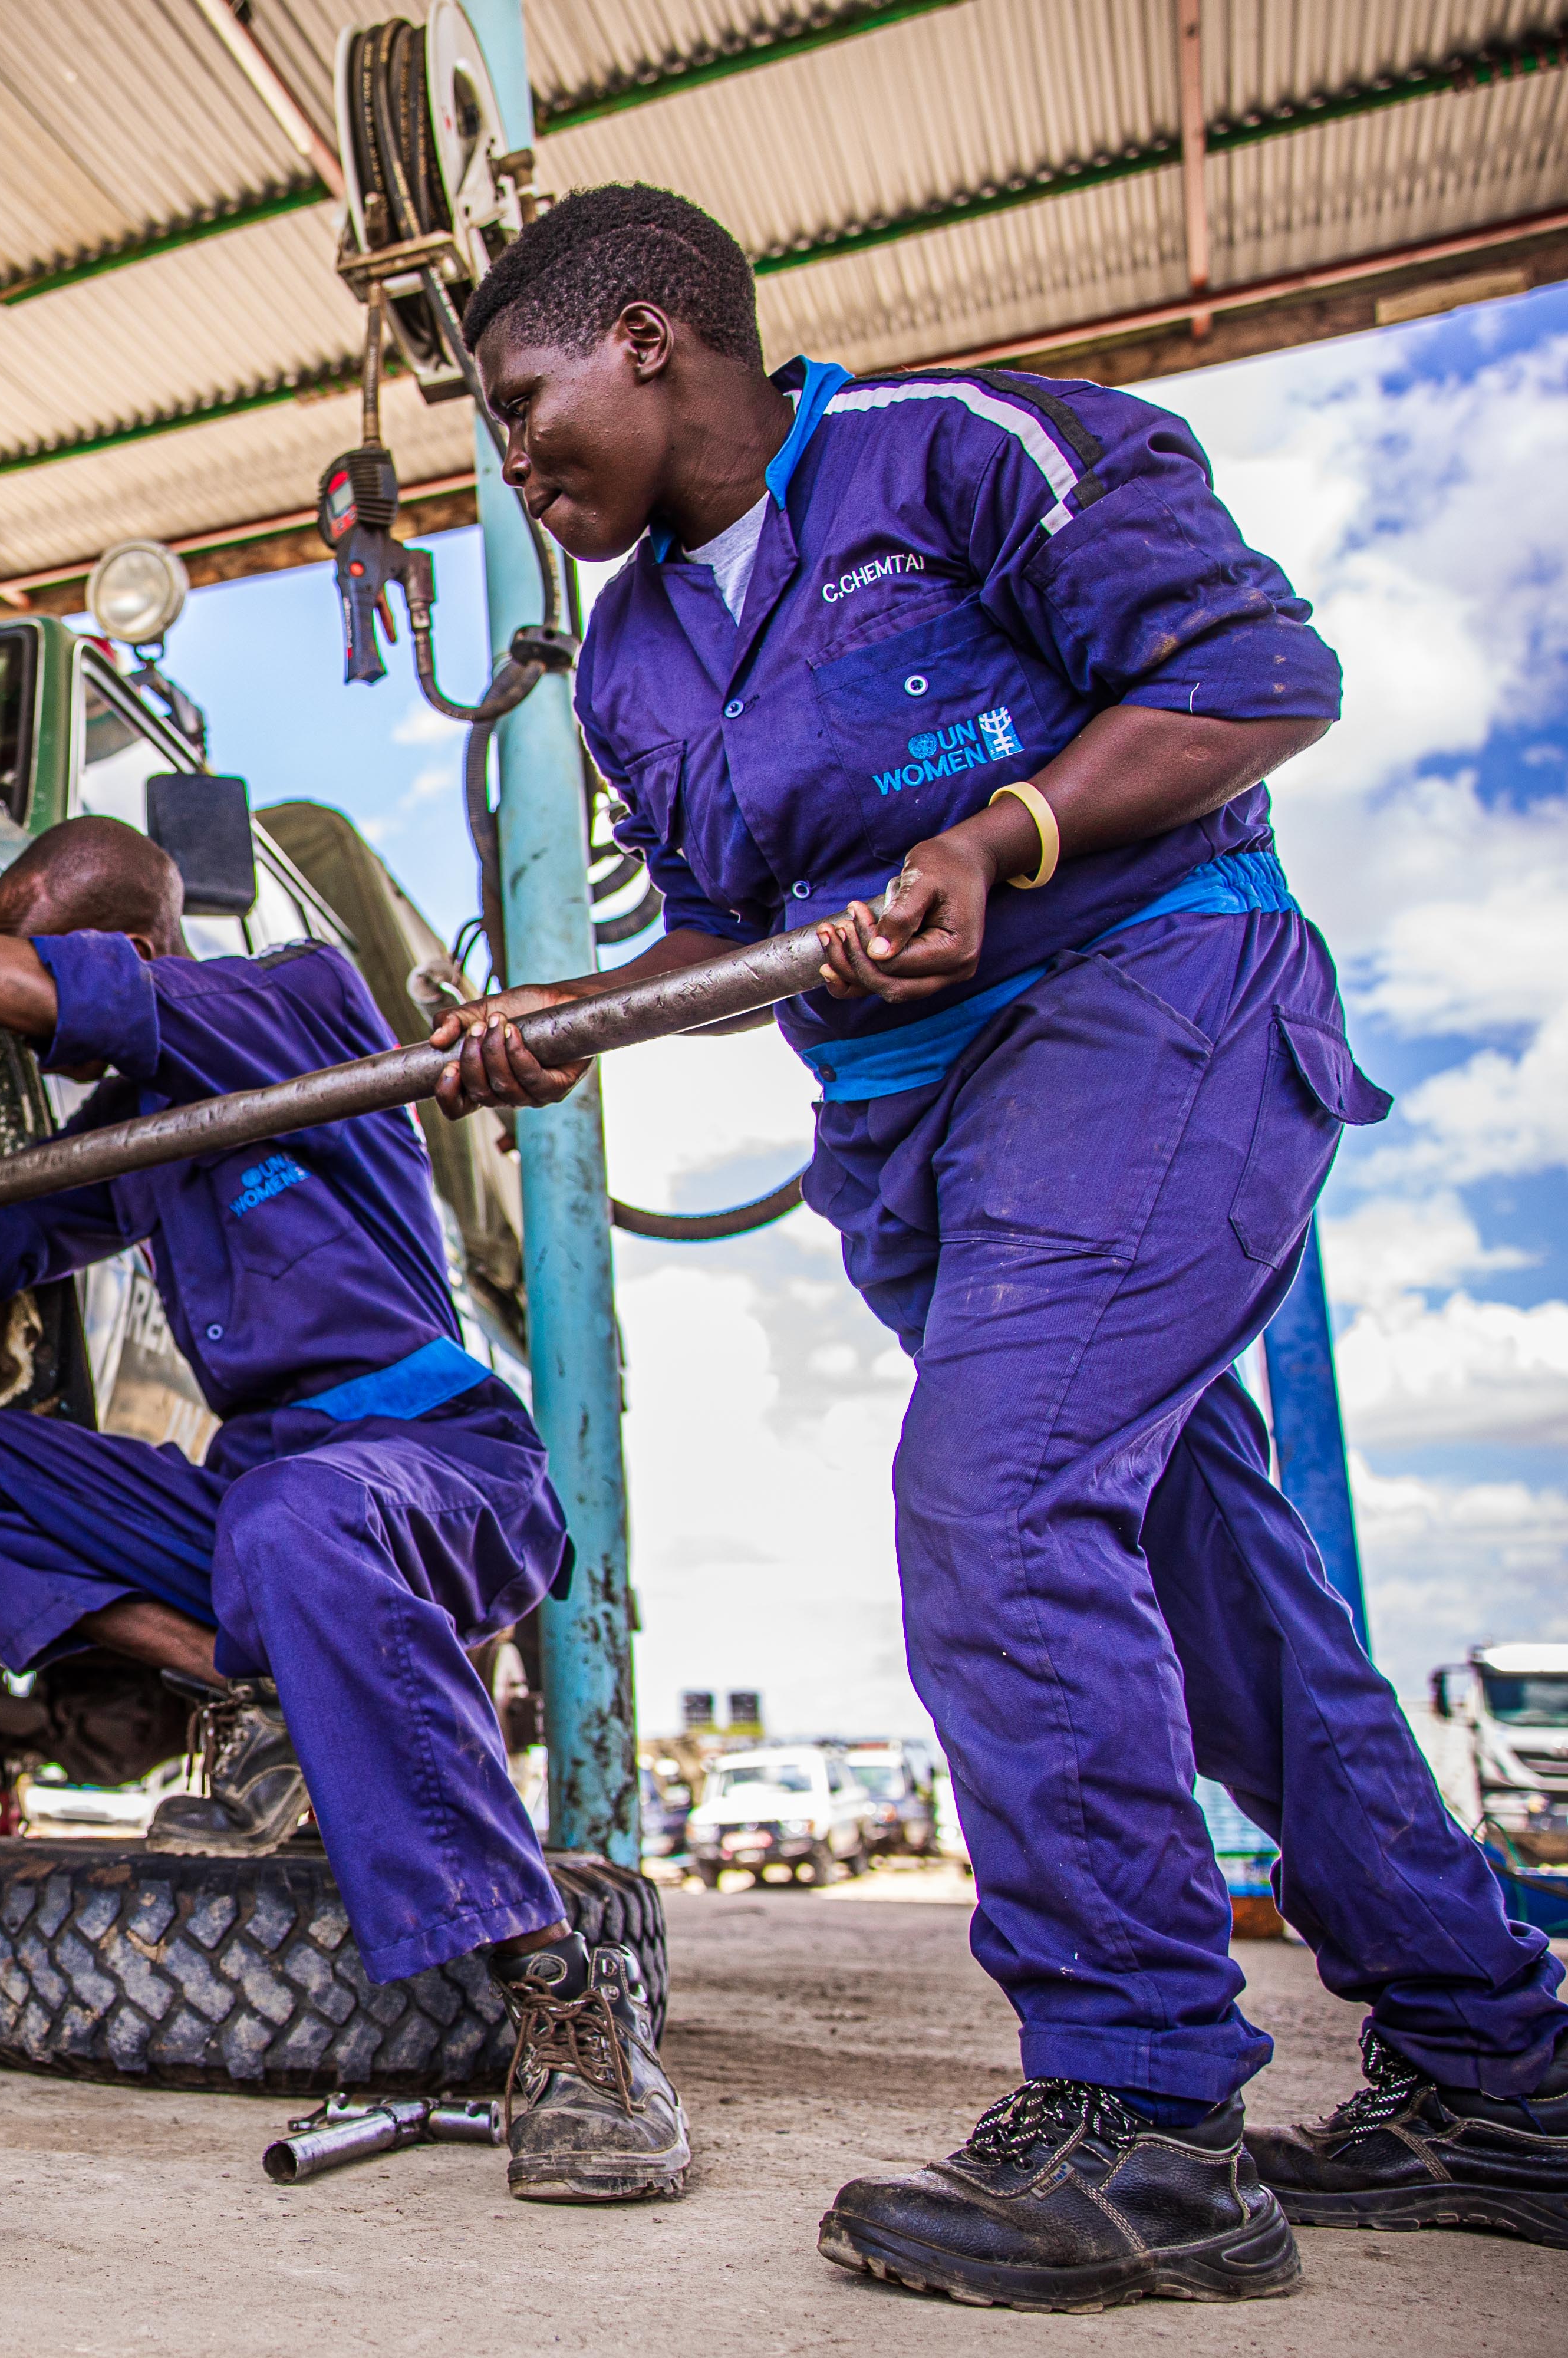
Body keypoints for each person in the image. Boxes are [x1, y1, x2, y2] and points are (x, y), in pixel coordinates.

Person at [438, 182, 1568, 2303]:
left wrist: (1006, 830)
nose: (514, 463)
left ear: (654, 338)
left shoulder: (965, 454)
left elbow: (1257, 682)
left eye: (524, 404)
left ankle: (1142, 2120)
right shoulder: (634, 659)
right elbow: (727, 928)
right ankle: (1505, 2072)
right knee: (1210, 1590)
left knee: (1002, 1495)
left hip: (1151, 1013)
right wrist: (558, 1020)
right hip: (916, 1132)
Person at [0, 816, 687, 2204]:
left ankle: (566, 2007)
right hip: (261, 1499)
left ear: (134, 942)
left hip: (436, 1470)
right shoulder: (138, 1126)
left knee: (299, 1522)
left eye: (46, 948)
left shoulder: (304, 1000)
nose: (25, 991)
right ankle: (263, 1692)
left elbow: (59, 1001)